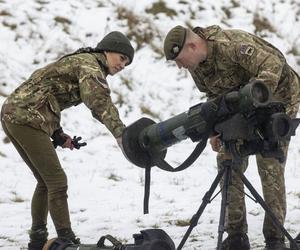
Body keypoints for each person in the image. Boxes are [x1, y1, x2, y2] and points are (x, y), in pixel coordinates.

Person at [163, 25, 300, 250]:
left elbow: (273, 65)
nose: (179, 66)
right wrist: (218, 129)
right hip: (242, 105)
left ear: (193, 45)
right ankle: (236, 236)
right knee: (228, 160)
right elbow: (215, 94)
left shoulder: (230, 45)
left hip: (279, 95)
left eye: (179, 59)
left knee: (269, 162)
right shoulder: (196, 64)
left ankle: (275, 239)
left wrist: (254, 105)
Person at [1, 31, 134, 250]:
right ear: (108, 49)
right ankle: (67, 239)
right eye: (122, 58)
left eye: (127, 64)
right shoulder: (90, 65)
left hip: (16, 115)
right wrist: (121, 134)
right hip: (26, 118)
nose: (122, 66)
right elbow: (99, 101)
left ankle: (37, 241)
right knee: (57, 182)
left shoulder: (81, 61)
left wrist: (58, 135)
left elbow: (45, 95)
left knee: (45, 182)